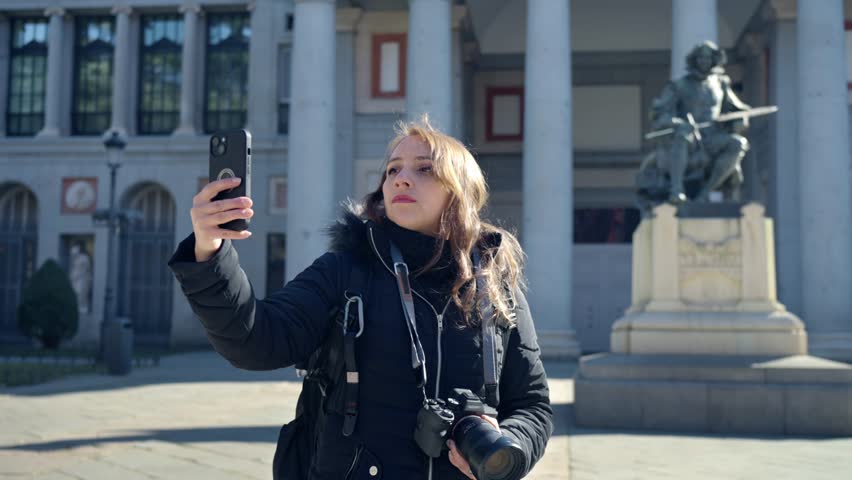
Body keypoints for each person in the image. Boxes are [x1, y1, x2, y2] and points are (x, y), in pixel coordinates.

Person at [167, 117, 553, 479]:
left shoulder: (496, 287)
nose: (401, 179)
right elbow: (255, 342)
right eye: (392, 170)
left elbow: (532, 405)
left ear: (461, 191)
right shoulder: (345, 269)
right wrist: (210, 250)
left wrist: (508, 446)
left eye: (424, 168)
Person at [649, 40, 751, 203]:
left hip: (713, 138)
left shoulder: (720, 84)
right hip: (689, 137)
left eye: (708, 58)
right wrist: (679, 123)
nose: (704, 61)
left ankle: (706, 191)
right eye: (701, 58)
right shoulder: (679, 85)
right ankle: (677, 189)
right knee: (682, 138)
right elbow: (660, 115)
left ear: (714, 60)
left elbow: (738, 109)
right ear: (694, 60)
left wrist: (741, 119)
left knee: (738, 143)